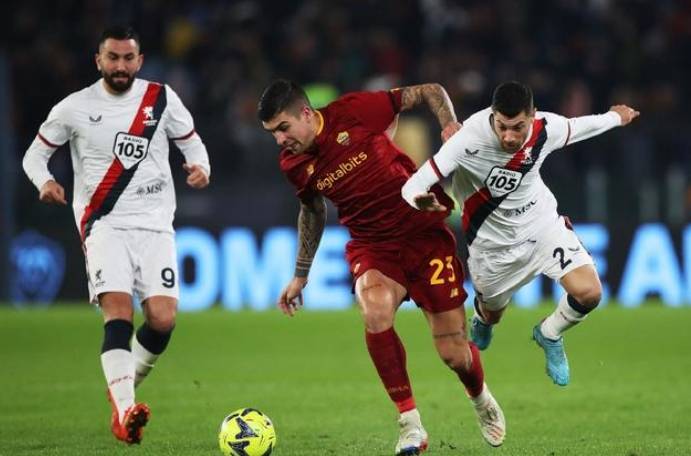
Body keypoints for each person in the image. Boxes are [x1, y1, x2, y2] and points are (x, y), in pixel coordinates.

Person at [258, 79, 506, 455]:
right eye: (272, 133)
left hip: (423, 236)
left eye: (282, 128)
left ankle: (480, 397)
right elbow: (312, 208)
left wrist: (449, 126)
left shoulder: (354, 112)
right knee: (374, 309)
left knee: (454, 354)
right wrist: (301, 274)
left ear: (306, 114)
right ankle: (410, 424)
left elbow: (430, 91)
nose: (279, 140)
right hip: (373, 248)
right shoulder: (293, 164)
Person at [22, 26, 211, 444]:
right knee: (119, 314)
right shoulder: (74, 107)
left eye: (128, 58)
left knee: (163, 319)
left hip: (156, 224)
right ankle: (126, 412)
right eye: (113, 58)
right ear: (99, 61)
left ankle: (121, 395)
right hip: (104, 225)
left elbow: (193, 143)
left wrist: (203, 168)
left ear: (139, 61)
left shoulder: (160, 98)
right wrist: (44, 181)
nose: (120, 66)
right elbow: (35, 155)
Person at [402, 81, 639, 387]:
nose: (509, 137)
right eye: (502, 127)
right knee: (493, 314)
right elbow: (413, 184)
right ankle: (483, 318)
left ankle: (549, 333)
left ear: (532, 115)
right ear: (493, 115)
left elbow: (580, 127)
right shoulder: (467, 139)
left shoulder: (546, 128)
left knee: (590, 293)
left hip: (541, 227)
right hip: (492, 246)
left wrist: (615, 117)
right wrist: (419, 199)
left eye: (518, 128)